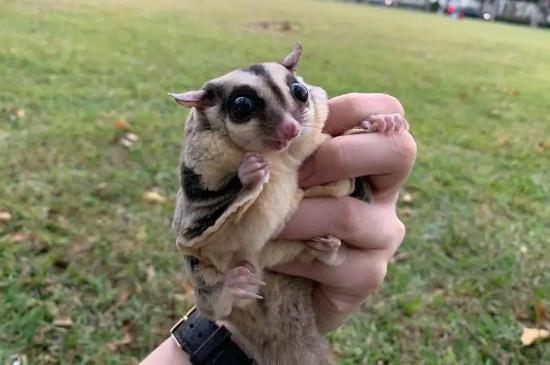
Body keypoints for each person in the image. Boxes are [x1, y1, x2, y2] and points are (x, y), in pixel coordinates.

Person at [141, 92, 417, 365]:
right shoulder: (214, 150)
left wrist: (370, 127)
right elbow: (196, 226)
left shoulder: (312, 137)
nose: (288, 125)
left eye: (297, 92)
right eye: (243, 107)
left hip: (293, 285)